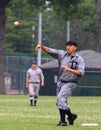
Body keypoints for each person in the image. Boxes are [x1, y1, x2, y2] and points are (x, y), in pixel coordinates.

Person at [36, 40, 85, 126]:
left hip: (70, 82)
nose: (68, 47)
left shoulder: (79, 59)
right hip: (61, 82)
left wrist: (69, 69)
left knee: (60, 99)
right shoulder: (62, 54)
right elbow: (51, 50)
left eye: (70, 45)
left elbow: (81, 73)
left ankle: (63, 121)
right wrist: (42, 47)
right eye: (67, 45)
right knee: (60, 102)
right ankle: (71, 116)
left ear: (75, 47)